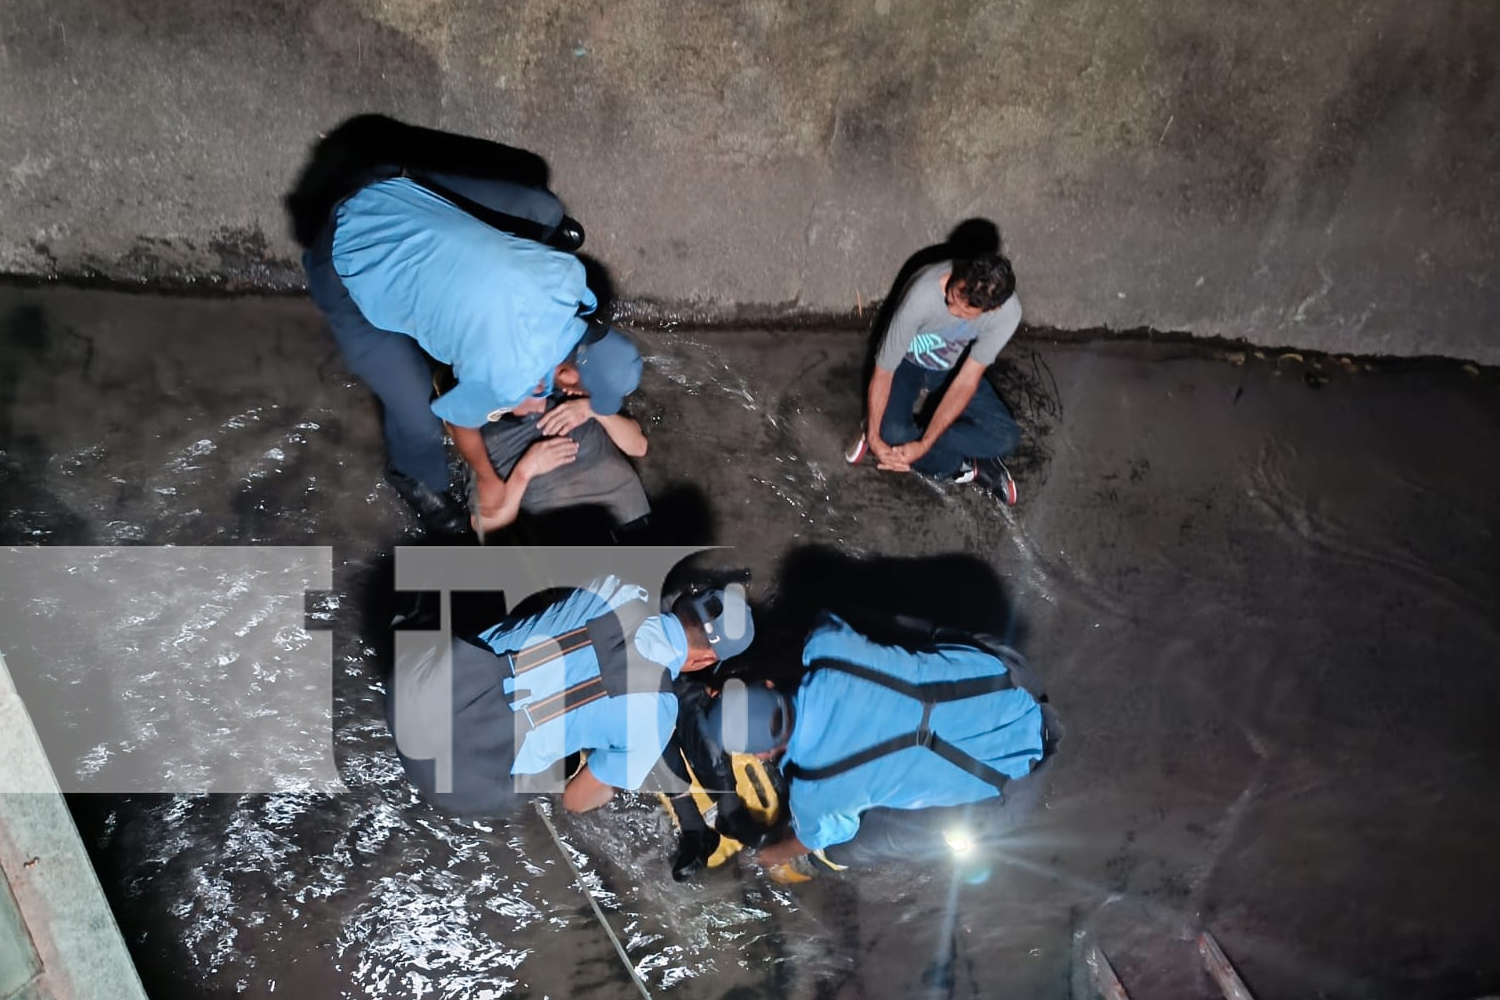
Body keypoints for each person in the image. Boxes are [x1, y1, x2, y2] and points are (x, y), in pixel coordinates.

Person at [302, 159, 642, 535]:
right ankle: (411, 474)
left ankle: (398, 172)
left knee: (541, 211)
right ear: (567, 372)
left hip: (395, 198)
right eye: (585, 390)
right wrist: (516, 466)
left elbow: (635, 443)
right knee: (416, 416)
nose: (581, 396)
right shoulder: (508, 378)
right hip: (345, 255)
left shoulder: (572, 280)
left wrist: (587, 407)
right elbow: (457, 418)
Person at [386, 576, 754, 816]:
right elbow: (575, 801)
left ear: (684, 604)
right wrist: (607, 784)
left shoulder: (615, 585)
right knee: (557, 773)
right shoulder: (659, 716)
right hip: (448, 779)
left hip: (408, 693)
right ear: (706, 659)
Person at [708, 612, 1049, 867]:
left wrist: (764, 856)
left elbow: (801, 843)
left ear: (764, 754)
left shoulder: (816, 793)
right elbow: (823, 627)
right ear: (768, 685)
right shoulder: (829, 649)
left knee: (839, 848)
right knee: (876, 628)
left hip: (1018, 780)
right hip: (1015, 675)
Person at [849, 252, 1024, 505]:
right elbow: (884, 371)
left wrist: (923, 443)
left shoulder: (1007, 314)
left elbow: (966, 380)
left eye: (963, 312)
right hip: (905, 364)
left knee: (1006, 438)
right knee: (891, 433)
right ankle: (961, 466)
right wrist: (875, 438)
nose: (950, 308)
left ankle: (936, 447)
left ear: (992, 309)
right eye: (952, 296)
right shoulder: (921, 298)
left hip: (952, 368)